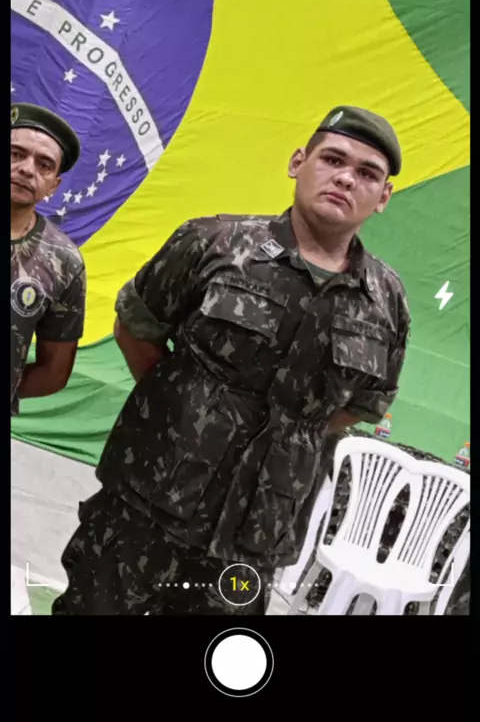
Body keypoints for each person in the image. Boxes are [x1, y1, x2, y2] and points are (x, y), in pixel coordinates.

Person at [52, 105, 411, 616]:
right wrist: (188, 408)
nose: (346, 179)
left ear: (384, 196)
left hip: (253, 539)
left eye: (367, 174)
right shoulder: (212, 242)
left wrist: (290, 429)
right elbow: (136, 330)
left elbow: (362, 406)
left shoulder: (385, 302)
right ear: (298, 162)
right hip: (144, 508)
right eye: (333, 159)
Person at [11, 103, 86, 416]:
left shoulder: (64, 262)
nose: (27, 169)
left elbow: (54, 371)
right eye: (16, 154)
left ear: (54, 185)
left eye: (44, 165)